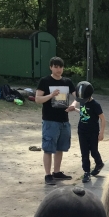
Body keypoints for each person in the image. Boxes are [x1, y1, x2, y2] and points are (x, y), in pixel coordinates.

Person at [35, 57, 77, 185]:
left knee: (60, 147)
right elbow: (37, 99)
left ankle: (57, 172)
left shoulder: (67, 82)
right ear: (51, 67)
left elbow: (77, 97)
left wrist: (73, 105)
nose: (58, 69)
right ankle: (48, 175)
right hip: (50, 120)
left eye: (60, 67)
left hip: (64, 120)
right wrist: (51, 95)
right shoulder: (45, 81)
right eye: (56, 67)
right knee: (48, 148)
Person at [72, 81, 106, 184]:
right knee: (84, 152)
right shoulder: (83, 101)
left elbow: (103, 119)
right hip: (82, 130)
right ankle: (86, 172)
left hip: (93, 132)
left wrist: (101, 132)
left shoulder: (95, 105)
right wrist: (75, 109)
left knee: (94, 151)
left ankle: (99, 163)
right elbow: (84, 112)